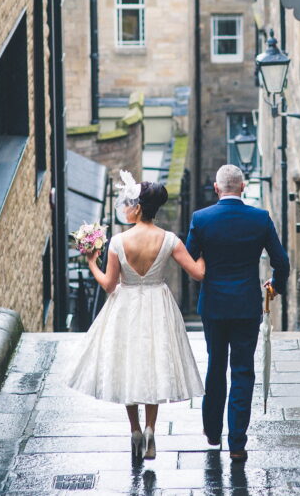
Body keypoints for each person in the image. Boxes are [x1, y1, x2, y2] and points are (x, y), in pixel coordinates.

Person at [67, 172, 205, 461]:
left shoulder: (118, 241)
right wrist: (205, 252)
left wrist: (92, 261)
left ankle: (135, 430)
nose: (126, 207)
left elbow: (108, 284)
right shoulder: (169, 240)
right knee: (154, 364)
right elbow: (198, 273)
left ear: (139, 208)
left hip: (126, 305)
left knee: (128, 366)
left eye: (130, 203)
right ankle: (153, 428)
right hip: (158, 303)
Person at [186, 164, 289, 462]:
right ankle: (237, 443)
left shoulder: (201, 219)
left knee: (216, 365)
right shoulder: (260, 218)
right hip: (246, 305)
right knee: (243, 370)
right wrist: (275, 286)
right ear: (243, 188)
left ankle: (212, 431)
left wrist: (206, 257)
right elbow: (281, 262)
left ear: (217, 189)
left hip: (214, 306)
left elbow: (191, 259)